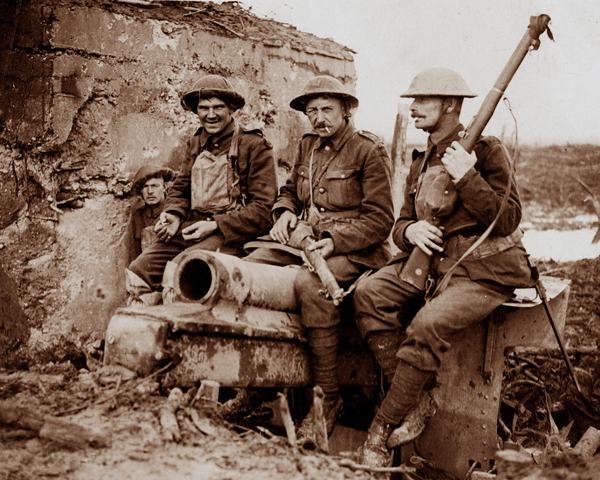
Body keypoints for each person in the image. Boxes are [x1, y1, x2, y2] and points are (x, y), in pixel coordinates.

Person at [353, 67, 535, 467]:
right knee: (368, 294)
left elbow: (508, 220)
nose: (413, 109)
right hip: (434, 265)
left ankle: (382, 428)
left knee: (427, 324)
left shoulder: (487, 151)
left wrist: (466, 176)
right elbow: (398, 224)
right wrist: (411, 231)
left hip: (484, 271)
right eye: (413, 102)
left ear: (450, 105)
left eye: (422, 101)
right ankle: (415, 400)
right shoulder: (421, 161)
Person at [244, 75, 395, 445]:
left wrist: (333, 240)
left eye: (327, 109)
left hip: (356, 250)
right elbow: (291, 191)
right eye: (312, 111)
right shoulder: (309, 146)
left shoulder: (368, 149)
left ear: (346, 110)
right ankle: (257, 386)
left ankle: (327, 399)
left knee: (311, 286)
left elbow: (381, 219)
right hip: (305, 240)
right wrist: (282, 212)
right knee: (251, 265)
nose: (318, 117)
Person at [125, 74, 277, 306]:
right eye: (203, 108)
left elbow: (263, 210)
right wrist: (174, 215)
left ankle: (174, 328)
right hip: (192, 229)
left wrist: (216, 224)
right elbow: (181, 188)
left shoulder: (254, 145)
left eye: (218, 107)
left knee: (179, 271)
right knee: (138, 271)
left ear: (232, 109)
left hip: (233, 235)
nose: (211, 114)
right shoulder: (196, 143)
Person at [130, 164, 174, 259]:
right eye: (145, 187)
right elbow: (135, 251)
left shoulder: (173, 212)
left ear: (165, 187)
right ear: (141, 190)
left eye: (154, 186)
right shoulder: (138, 215)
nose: (150, 191)